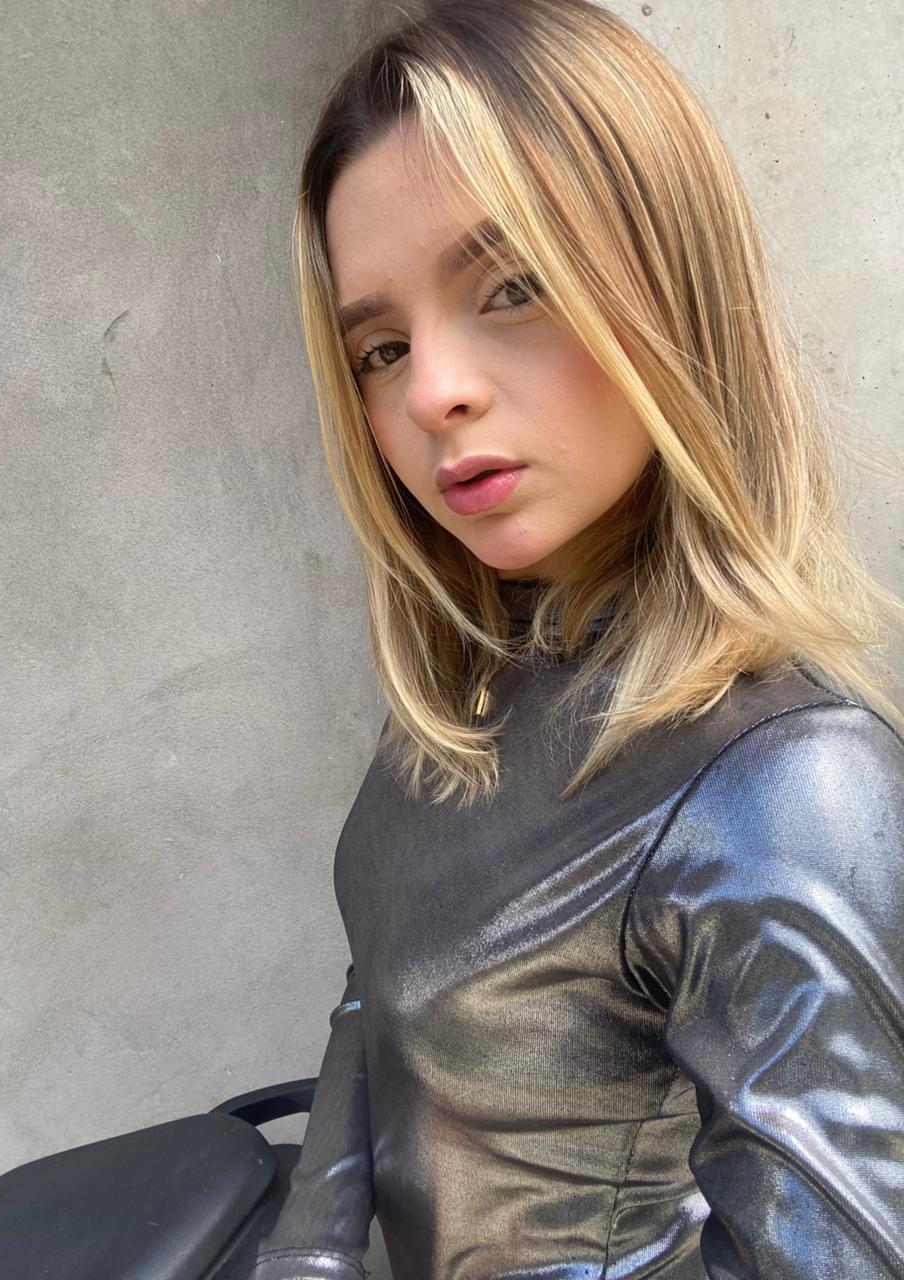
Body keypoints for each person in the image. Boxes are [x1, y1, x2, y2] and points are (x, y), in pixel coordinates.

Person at [251, 1, 904, 1276]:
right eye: (380, 346)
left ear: (670, 281)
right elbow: (375, 995)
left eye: (514, 285)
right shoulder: (476, 682)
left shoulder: (786, 784)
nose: (432, 389)